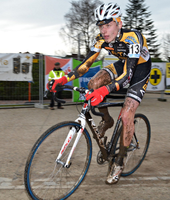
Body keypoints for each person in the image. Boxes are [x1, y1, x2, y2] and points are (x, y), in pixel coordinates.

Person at [47, 2, 151, 184]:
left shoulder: (133, 38)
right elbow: (85, 65)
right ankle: (107, 120)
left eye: (108, 25)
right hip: (123, 64)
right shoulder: (101, 39)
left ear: (119, 23)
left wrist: (105, 90)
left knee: (127, 115)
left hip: (139, 69)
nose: (104, 30)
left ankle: (119, 162)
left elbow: (128, 76)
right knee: (95, 82)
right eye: (101, 26)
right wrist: (64, 79)